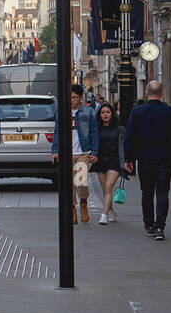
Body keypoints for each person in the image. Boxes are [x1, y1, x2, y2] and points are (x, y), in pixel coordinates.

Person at [124, 80, 171, 241]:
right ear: (162, 94)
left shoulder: (137, 112)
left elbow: (129, 136)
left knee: (147, 192)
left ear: (146, 93)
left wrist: (128, 158)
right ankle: (160, 226)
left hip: (144, 158)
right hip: (165, 157)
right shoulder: (170, 111)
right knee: (162, 192)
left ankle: (149, 224)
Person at [51, 83, 98, 224]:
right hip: (66, 153)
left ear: (81, 97)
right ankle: (72, 209)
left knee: (81, 181)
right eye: (69, 97)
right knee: (69, 184)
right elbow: (57, 133)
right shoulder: (62, 112)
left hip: (83, 152)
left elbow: (94, 132)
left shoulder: (88, 112)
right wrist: (55, 151)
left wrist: (94, 152)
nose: (72, 100)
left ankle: (83, 204)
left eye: (75, 97)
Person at [93, 101, 125, 224]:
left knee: (108, 187)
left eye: (108, 112)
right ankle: (111, 210)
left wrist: (126, 161)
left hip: (114, 160)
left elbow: (124, 146)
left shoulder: (119, 129)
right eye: (102, 112)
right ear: (99, 114)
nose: (105, 115)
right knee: (105, 190)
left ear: (112, 114)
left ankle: (104, 215)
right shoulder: (96, 128)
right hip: (100, 160)